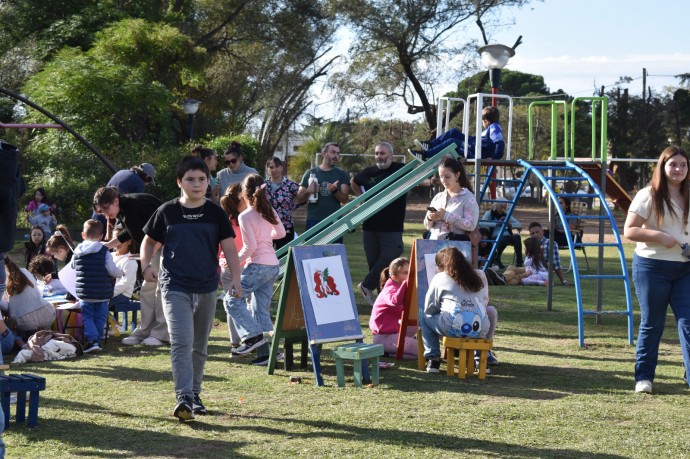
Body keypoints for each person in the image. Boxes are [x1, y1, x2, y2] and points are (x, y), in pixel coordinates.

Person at [140, 156, 242, 421]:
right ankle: (183, 396)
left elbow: (230, 248)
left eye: (201, 179)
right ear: (179, 182)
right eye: (190, 179)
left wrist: (237, 280)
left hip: (207, 286)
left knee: (200, 345)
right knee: (181, 342)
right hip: (175, 285)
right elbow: (148, 242)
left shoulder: (215, 212)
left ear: (208, 182)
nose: (196, 184)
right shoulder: (167, 211)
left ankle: (195, 395)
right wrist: (145, 266)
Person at [623, 145, 690, 394]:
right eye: (673, 164)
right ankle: (644, 377)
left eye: (683, 165)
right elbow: (630, 231)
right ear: (663, 167)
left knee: (688, 323)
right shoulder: (647, 195)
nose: (679, 169)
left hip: (685, 269)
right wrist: (659, 236)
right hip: (652, 267)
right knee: (653, 323)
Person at [93, 186, 168, 346]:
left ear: (115, 200)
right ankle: (145, 331)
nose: (106, 214)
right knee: (148, 289)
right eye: (102, 211)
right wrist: (105, 246)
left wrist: (147, 258)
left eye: (106, 209)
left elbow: (162, 230)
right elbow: (129, 232)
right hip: (152, 248)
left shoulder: (137, 204)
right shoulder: (122, 211)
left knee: (162, 288)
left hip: (168, 246)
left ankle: (161, 334)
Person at [224, 174, 285, 366]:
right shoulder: (268, 210)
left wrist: (233, 260)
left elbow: (249, 247)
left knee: (231, 299)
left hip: (258, 265)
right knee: (261, 310)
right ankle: (270, 353)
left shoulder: (245, 216)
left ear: (243, 193)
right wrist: (266, 236)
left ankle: (252, 337)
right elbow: (281, 233)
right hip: (273, 265)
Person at [419, 247, 498, 373]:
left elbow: (430, 307)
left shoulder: (440, 277)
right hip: (480, 327)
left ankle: (433, 358)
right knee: (477, 320)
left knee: (424, 316)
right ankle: (480, 359)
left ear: (441, 265)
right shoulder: (476, 276)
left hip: (452, 326)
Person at [350, 142, 407, 305]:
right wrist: (362, 201)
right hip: (370, 226)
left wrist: (432, 181)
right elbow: (354, 181)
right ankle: (384, 299)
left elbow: (420, 177)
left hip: (392, 226)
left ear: (391, 155)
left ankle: (366, 286)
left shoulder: (400, 169)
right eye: (376, 153)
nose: (379, 157)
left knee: (390, 258)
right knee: (375, 265)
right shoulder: (369, 172)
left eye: (382, 153)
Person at [70, 219, 124, 353]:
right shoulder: (104, 251)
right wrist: (120, 273)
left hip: (85, 292)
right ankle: (97, 339)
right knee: (101, 316)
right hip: (102, 292)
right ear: (101, 236)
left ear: (83, 235)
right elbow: (112, 270)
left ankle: (92, 340)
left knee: (87, 316)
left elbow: (72, 266)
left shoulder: (77, 251)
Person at [297, 142, 350, 244]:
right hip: (314, 220)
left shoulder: (341, 174)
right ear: (324, 154)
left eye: (338, 153)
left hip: (334, 221)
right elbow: (300, 199)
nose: (336, 156)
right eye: (333, 152)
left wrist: (334, 190)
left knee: (334, 256)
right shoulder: (310, 173)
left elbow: (344, 199)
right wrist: (308, 191)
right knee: (312, 255)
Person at [409, 106, 504, 161]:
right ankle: (430, 145)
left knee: (452, 142)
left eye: (482, 121)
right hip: (473, 144)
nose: (482, 124)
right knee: (453, 131)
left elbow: (500, 143)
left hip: (477, 152)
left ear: (486, 121)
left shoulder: (494, 128)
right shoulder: (492, 128)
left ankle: (425, 155)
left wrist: (494, 158)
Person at [369, 257, 417, 359]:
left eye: (410, 272)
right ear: (395, 277)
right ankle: (387, 352)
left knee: (423, 321)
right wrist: (406, 283)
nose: (409, 276)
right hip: (383, 337)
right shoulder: (390, 288)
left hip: (395, 331)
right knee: (423, 351)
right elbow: (395, 301)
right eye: (405, 273)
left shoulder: (401, 286)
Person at [424, 155, 479, 241]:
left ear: (457, 175)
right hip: (433, 246)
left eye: (447, 176)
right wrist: (430, 218)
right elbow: (427, 226)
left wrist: (446, 215)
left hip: (454, 249)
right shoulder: (438, 197)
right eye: (441, 176)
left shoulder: (468, 198)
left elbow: (471, 225)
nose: (443, 180)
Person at [1, 256, 56, 337]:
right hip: (47, 312)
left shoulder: (3, 280)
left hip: (24, 320)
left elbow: (5, 307)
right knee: (44, 336)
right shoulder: (25, 271)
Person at [265, 156, 299, 250]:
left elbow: (302, 198)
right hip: (267, 228)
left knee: (284, 257)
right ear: (268, 169)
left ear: (281, 167)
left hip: (286, 226)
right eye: (271, 167)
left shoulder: (291, 185)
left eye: (276, 166)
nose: (274, 169)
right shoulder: (263, 186)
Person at [480, 198, 523, 269]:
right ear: (496, 205)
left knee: (517, 237)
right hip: (495, 235)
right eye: (501, 206)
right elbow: (482, 223)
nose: (503, 208)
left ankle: (519, 262)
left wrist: (510, 224)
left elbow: (518, 224)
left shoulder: (507, 215)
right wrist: (496, 223)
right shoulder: (489, 214)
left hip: (507, 235)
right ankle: (497, 258)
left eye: (505, 206)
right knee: (503, 240)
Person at [109, 225, 139, 322]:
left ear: (129, 242)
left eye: (120, 239)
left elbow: (123, 285)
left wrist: (106, 294)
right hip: (106, 293)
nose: (117, 242)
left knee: (99, 303)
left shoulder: (130, 261)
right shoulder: (109, 256)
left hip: (122, 295)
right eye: (114, 238)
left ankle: (110, 325)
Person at [526, 221, 569, 285]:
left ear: (542, 232)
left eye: (537, 232)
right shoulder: (530, 243)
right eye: (533, 233)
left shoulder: (550, 243)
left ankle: (544, 283)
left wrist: (563, 281)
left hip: (542, 272)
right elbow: (528, 262)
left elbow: (556, 264)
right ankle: (505, 280)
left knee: (518, 276)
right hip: (532, 270)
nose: (535, 235)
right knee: (512, 268)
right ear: (530, 235)